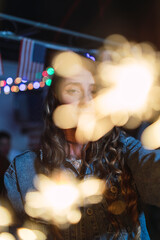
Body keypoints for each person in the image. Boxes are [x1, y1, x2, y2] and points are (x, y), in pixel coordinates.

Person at [4, 53, 160, 240]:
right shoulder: (24, 169)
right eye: (73, 90)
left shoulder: (126, 152)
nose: (87, 102)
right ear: (55, 100)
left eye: (94, 91)